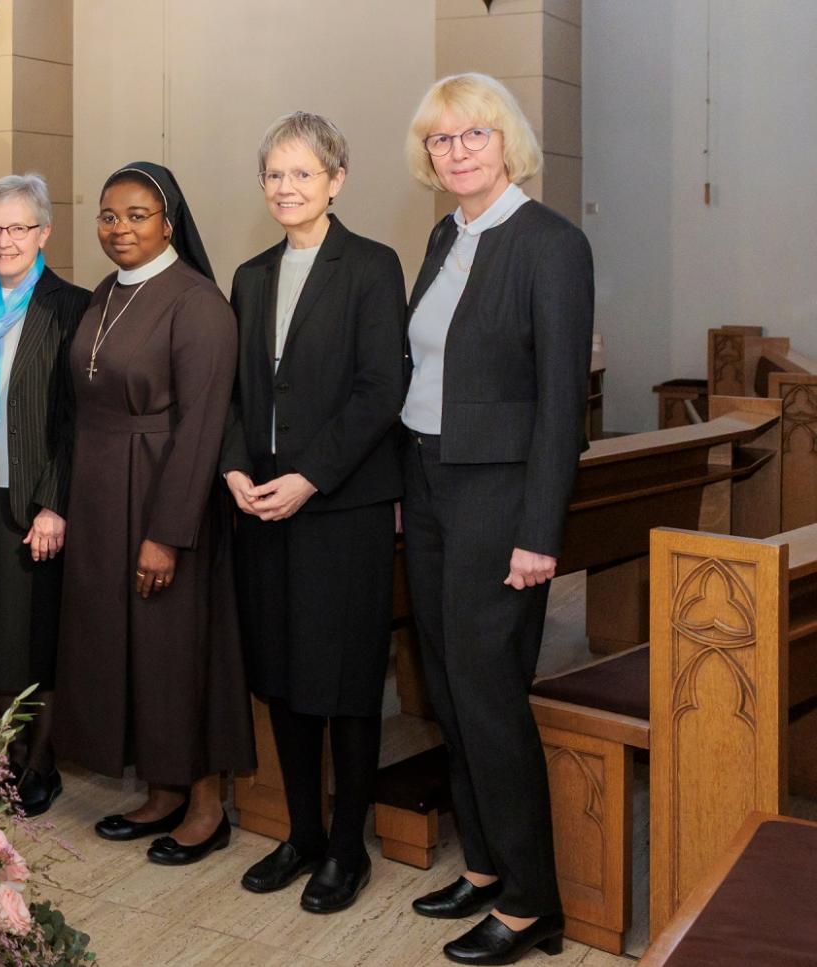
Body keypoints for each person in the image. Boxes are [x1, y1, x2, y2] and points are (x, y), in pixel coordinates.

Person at [399, 73, 593, 965]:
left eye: (473, 135)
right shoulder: (446, 234)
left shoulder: (551, 244)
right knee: (445, 683)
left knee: (488, 692)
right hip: (432, 481)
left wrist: (539, 531)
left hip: (499, 495)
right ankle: (482, 866)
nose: (457, 152)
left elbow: (562, 406)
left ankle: (530, 901)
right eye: (442, 140)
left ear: (506, 141)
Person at [219, 112, 408, 913]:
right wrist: (232, 465)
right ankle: (299, 832)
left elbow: (379, 394)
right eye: (273, 174)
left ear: (336, 179)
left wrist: (310, 477)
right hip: (262, 503)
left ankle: (345, 847)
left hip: (341, 507)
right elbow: (234, 391)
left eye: (302, 173)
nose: (285, 188)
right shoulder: (251, 274)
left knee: (345, 683)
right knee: (285, 679)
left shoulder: (371, 266)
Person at [53, 162, 253, 865]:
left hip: (168, 496)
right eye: (109, 215)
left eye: (138, 215)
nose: (120, 228)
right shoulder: (105, 293)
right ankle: (161, 789)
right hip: (104, 496)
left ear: (169, 221)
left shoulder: (198, 303)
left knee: (175, 651)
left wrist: (166, 533)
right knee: (126, 649)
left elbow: (201, 428)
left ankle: (205, 804)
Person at [0, 174, 91, 816]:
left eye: (19, 227)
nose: (5, 240)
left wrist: (55, 501)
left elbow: (75, 419)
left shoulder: (72, 308)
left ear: (44, 233)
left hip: (32, 498)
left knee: (33, 634)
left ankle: (40, 763)